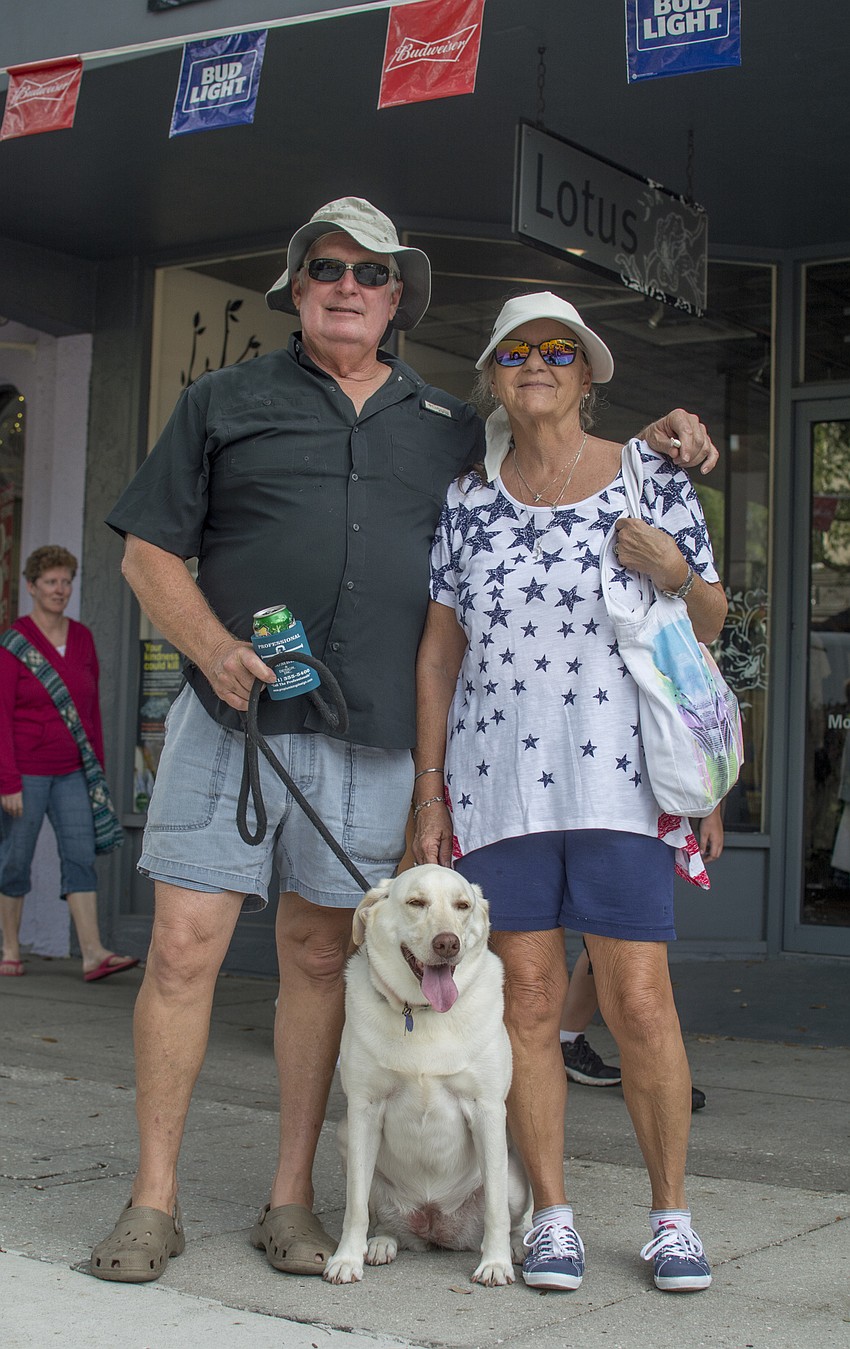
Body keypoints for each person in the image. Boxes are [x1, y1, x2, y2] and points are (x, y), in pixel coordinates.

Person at [91, 199, 718, 1284]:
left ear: (397, 300)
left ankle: (294, 1197)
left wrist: (673, 439)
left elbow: (574, 461)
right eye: (326, 267)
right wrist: (208, 645)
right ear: (296, 284)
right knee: (186, 947)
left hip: (387, 738)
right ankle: (154, 1197)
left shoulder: (443, 423)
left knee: (323, 956)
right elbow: (148, 549)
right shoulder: (223, 399)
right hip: (246, 724)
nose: (347, 284)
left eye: (372, 273)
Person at [413, 291, 727, 1294]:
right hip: (493, 786)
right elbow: (439, 650)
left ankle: (670, 1215)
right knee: (529, 1005)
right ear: (494, 376)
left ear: (586, 374)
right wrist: (430, 790)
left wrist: (675, 568)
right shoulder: (466, 498)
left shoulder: (649, 476)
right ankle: (550, 1215)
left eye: (558, 349)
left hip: (621, 782)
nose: (536, 362)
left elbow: (711, 621)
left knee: (638, 1000)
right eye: (516, 350)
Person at [0, 545, 138, 983]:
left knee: (80, 855)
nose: (60, 589)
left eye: (66, 581)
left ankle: (93, 954)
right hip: (25, 775)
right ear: (31, 587)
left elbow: (91, 712)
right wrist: (7, 781)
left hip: (74, 773)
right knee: (15, 860)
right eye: (51, 582)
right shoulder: (13, 643)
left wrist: (94, 769)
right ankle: (9, 947)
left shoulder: (81, 638)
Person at [560, 806, 725, 1110]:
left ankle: (577, 1044)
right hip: (570, 802)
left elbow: (703, 756)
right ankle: (642, 1065)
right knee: (614, 941)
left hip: (636, 807)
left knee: (621, 941)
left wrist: (710, 811)